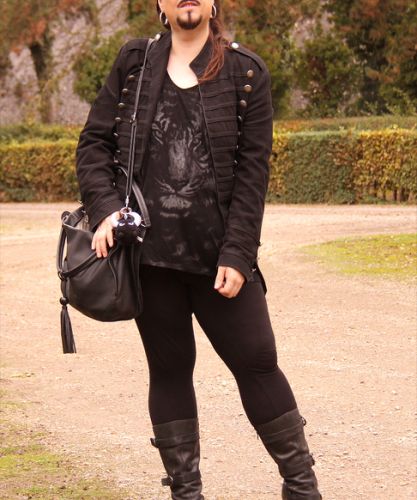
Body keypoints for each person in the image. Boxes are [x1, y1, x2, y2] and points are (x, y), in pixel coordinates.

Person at [76, 1, 322, 498]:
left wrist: (239, 253)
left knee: (257, 362)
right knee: (169, 370)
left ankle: (302, 489)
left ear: (212, 3)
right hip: (150, 260)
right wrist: (105, 210)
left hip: (219, 261)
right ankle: (185, 493)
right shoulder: (134, 63)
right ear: (160, 5)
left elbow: (253, 173)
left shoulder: (245, 72)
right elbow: (94, 145)